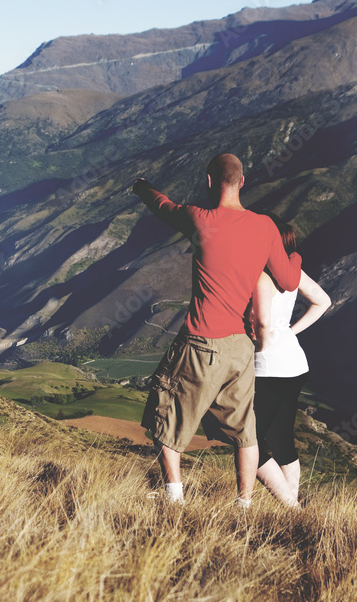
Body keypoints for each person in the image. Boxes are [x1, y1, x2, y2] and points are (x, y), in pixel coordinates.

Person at [133, 153, 302, 506]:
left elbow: (163, 206)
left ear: (210, 182)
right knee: (244, 432)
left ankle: (174, 500)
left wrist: (142, 187)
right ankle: (244, 505)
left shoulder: (200, 218)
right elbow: (287, 280)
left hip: (200, 342)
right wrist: (296, 257)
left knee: (166, 419)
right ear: (242, 182)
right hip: (240, 349)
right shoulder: (266, 228)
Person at [250, 215, 331, 506]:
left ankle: (291, 508)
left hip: (269, 367)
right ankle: (291, 511)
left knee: (251, 442)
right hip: (295, 363)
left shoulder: (262, 275)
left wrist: (261, 346)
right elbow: (323, 301)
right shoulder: (292, 274)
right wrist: (290, 332)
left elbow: (261, 324)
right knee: (282, 438)